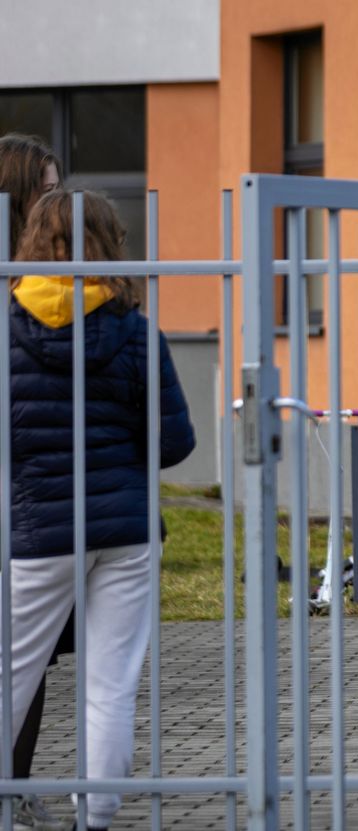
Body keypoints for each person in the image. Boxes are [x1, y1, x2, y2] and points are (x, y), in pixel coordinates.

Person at [3, 189, 196, 829]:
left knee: (13, 676)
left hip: (40, 531)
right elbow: (174, 445)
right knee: (110, 685)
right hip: (126, 530)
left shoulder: (8, 334)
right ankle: (98, 818)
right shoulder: (136, 332)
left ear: (32, 244)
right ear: (108, 247)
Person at [0, 132, 70, 831]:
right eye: (46, 188)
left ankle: (14, 785)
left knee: (32, 651)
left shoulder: (42, 282)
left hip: (33, 491)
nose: (56, 202)